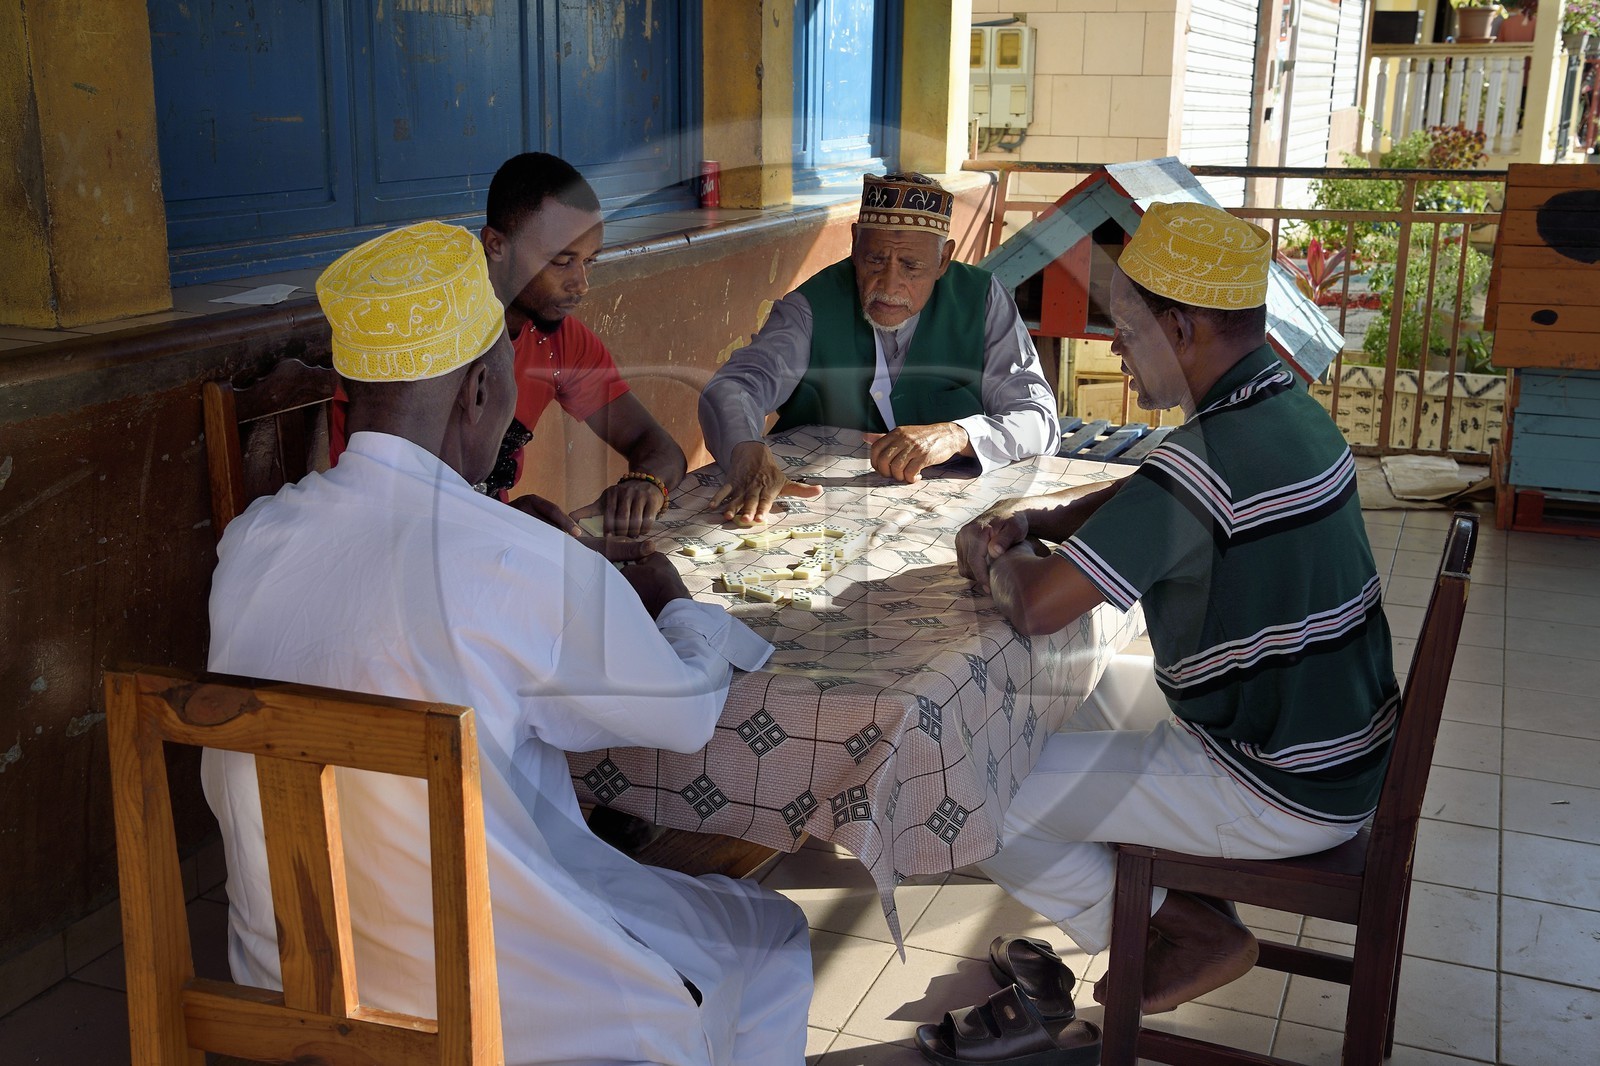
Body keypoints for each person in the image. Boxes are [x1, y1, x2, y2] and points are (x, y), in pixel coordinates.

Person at [203, 220, 813, 1065]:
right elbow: (680, 717)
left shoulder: (251, 544)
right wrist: (675, 606)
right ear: (484, 391)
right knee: (771, 937)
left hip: (285, 977)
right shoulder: (519, 560)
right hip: (497, 1003)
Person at [924, 203, 1397, 1059]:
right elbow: (1156, 491)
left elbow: (1038, 606)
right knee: (1075, 705)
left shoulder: (1207, 461)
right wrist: (1055, 513)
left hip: (1278, 783)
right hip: (1333, 749)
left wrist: (987, 555)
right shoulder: (1281, 407)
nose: (1114, 345)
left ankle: (1182, 930)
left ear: (1180, 328)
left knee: (980, 793)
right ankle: (1164, 906)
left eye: (1126, 327)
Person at [329, 152, 685, 537]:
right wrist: (503, 524)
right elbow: (375, 509)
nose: (581, 283)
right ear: (496, 245)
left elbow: (657, 446)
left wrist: (645, 484)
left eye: (590, 261)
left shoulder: (561, 341)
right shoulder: (421, 338)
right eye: (561, 261)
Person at [699, 172, 1060, 523]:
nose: (889, 283)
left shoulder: (981, 300)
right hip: (818, 509)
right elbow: (733, 387)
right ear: (855, 244)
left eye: (911, 266)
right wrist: (744, 449)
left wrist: (959, 433)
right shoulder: (812, 305)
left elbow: (1039, 422)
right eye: (875, 260)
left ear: (943, 260)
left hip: (948, 516)